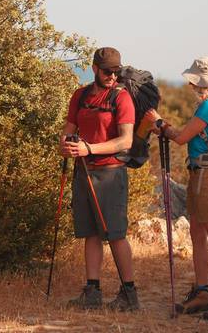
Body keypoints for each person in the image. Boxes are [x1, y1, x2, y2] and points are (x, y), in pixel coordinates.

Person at [148, 56, 208, 320]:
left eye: (194, 82)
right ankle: (202, 293)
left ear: (203, 83)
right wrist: (163, 127)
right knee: (198, 234)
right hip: (201, 175)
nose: (191, 86)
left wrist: (159, 122)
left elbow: (180, 138)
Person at [59, 47, 139, 311]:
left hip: (111, 173)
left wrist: (89, 148)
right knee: (90, 232)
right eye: (107, 71)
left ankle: (129, 295)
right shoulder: (80, 95)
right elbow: (70, 129)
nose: (112, 76)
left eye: (116, 71)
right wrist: (66, 144)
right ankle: (92, 292)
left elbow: (125, 141)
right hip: (83, 170)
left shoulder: (121, 98)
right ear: (94, 68)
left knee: (115, 233)